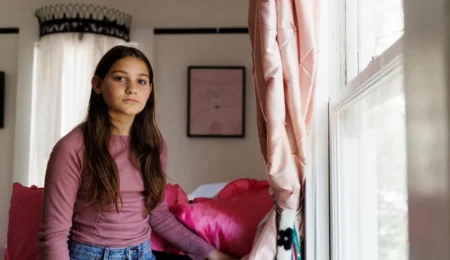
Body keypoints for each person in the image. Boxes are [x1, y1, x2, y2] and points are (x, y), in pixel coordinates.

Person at [38, 46, 235, 260]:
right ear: (97, 84)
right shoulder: (72, 147)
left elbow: (158, 215)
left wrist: (212, 254)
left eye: (141, 81)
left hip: (143, 253)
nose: (132, 89)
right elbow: (54, 235)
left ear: (149, 90)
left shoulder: (154, 144)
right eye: (120, 79)